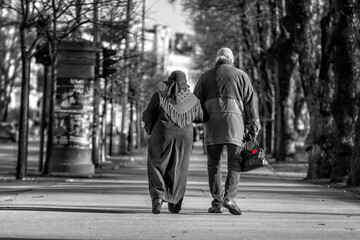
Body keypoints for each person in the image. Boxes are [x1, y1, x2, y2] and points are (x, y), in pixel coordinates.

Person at [194, 47, 261, 215]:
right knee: (235, 162)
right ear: (231, 59)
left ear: (217, 59)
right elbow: (250, 105)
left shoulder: (205, 77)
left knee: (213, 164)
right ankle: (229, 198)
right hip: (235, 126)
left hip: (212, 126)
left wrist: (199, 118)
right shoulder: (242, 76)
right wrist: (253, 126)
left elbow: (195, 104)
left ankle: (217, 202)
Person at [142, 70, 203, 214]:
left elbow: (148, 115)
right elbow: (200, 117)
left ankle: (158, 197)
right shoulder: (193, 99)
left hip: (162, 134)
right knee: (179, 168)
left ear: (168, 82)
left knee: (157, 165)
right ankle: (175, 202)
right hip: (185, 138)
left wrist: (152, 130)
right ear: (185, 84)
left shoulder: (159, 96)